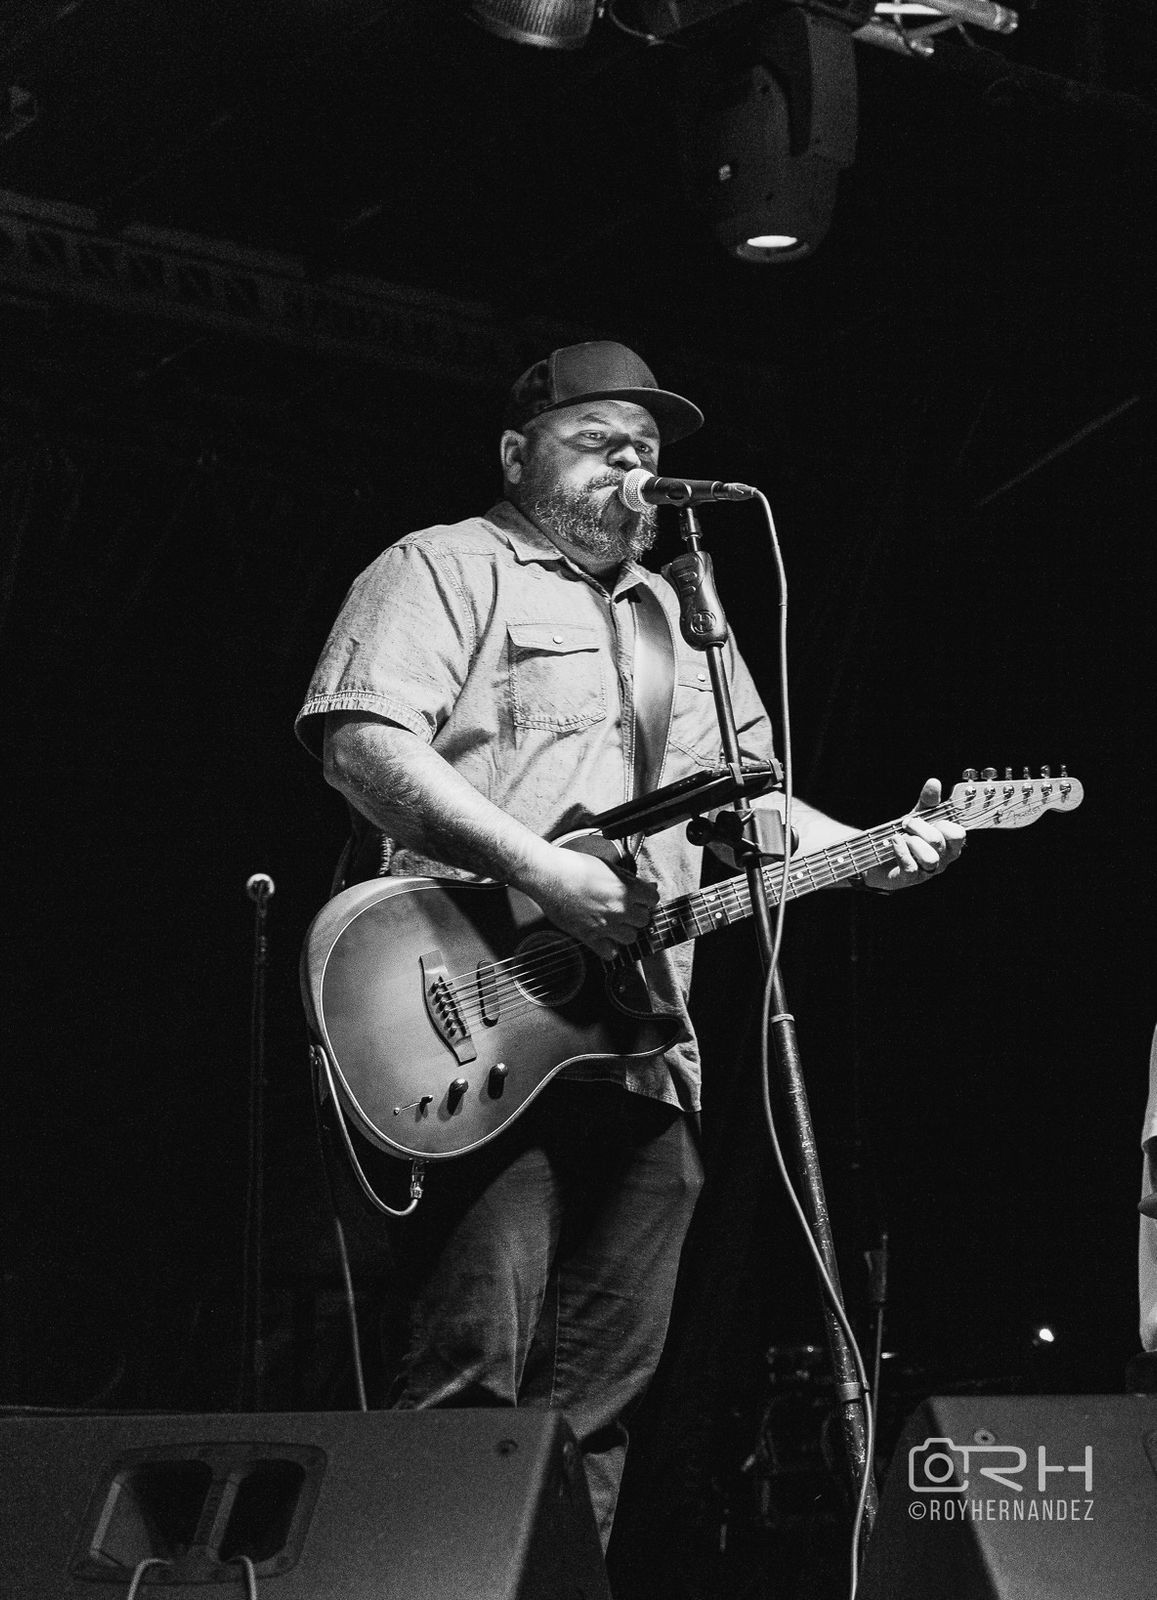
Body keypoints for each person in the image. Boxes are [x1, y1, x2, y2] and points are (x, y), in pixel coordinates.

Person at [294, 340, 965, 1546]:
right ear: (517, 452)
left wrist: (871, 847)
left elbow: (750, 804)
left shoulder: (677, 619)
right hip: (475, 1028)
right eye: (596, 440)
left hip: (645, 1057)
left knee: (595, 1417)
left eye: (645, 449)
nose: (631, 464)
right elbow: (361, 744)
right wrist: (538, 868)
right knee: (466, 1383)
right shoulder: (443, 565)